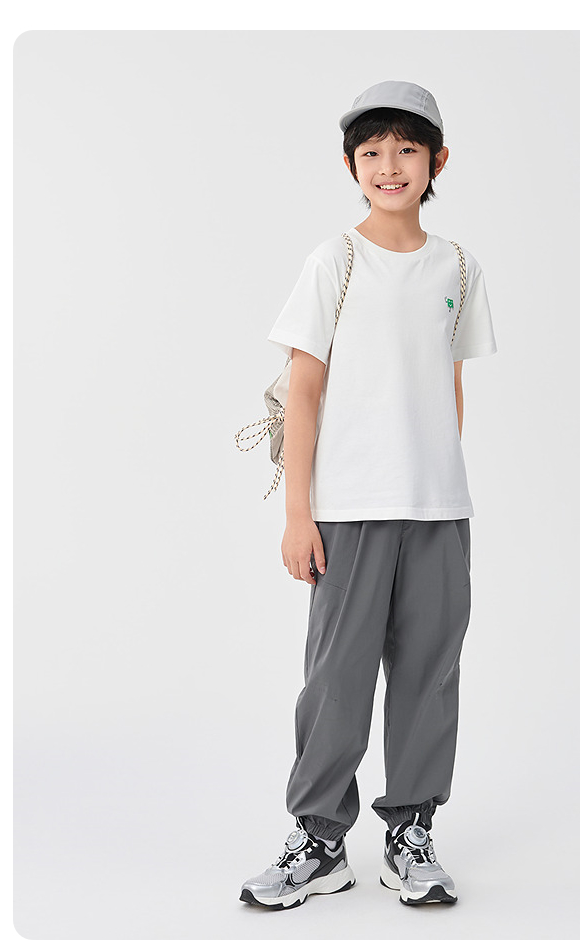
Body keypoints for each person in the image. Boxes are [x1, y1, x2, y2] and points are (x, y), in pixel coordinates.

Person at [239, 80, 498, 911]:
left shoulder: (459, 267)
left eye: (407, 149)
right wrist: (298, 514)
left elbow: (448, 385)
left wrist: (440, 479)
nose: (390, 165)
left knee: (429, 675)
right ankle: (319, 840)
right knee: (337, 679)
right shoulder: (335, 261)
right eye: (373, 151)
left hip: (438, 510)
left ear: (437, 161)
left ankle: (410, 833)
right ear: (351, 165)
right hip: (348, 509)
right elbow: (303, 390)